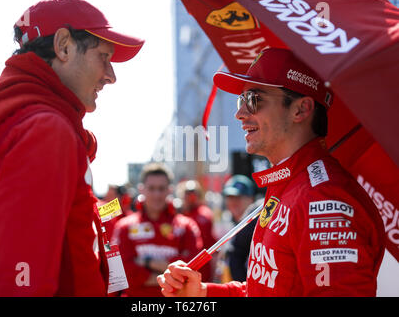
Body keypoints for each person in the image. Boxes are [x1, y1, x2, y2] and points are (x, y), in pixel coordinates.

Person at [0, 0, 144, 296]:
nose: (111, 75)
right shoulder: (45, 129)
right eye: (104, 56)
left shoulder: (5, 112)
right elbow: (20, 279)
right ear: (63, 46)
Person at [157, 48, 386, 297]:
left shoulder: (322, 197)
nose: (240, 113)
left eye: (254, 100)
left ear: (301, 110)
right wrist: (202, 292)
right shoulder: (287, 185)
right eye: (240, 100)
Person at [111, 163, 203, 297]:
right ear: (141, 189)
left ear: (169, 190)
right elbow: (122, 274)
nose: (156, 194)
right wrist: (172, 276)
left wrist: (147, 262)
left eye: (161, 188)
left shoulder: (187, 226)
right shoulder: (124, 227)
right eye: (151, 188)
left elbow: (193, 269)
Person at [216, 175, 262, 283]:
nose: (233, 202)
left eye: (239, 197)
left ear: (251, 199)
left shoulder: (261, 225)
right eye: (230, 197)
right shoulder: (225, 223)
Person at [176, 180, 216, 282]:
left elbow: (211, 245)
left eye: (193, 193)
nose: (190, 197)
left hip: (202, 266)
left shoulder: (204, 214)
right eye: (187, 193)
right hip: (181, 264)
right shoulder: (177, 215)